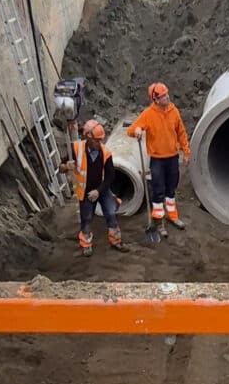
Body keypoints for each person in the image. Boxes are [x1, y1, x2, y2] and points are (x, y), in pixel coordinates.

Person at [126, 83, 190, 230]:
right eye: (163, 96)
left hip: (173, 157)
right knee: (158, 189)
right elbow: (130, 130)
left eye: (167, 94)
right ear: (156, 99)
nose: (167, 97)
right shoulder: (148, 114)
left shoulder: (174, 111)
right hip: (157, 160)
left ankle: (172, 215)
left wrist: (186, 151)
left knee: (171, 188)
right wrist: (136, 129)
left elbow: (181, 132)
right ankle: (158, 220)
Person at [59, 119, 126, 256]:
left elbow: (110, 176)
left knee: (111, 212)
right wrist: (66, 167)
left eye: (100, 140)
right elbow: (60, 168)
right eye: (96, 140)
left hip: (101, 188)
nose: (99, 143)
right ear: (88, 138)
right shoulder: (75, 149)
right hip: (85, 191)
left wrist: (98, 191)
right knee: (86, 217)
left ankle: (116, 240)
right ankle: (86, 243)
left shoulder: (105, 153)